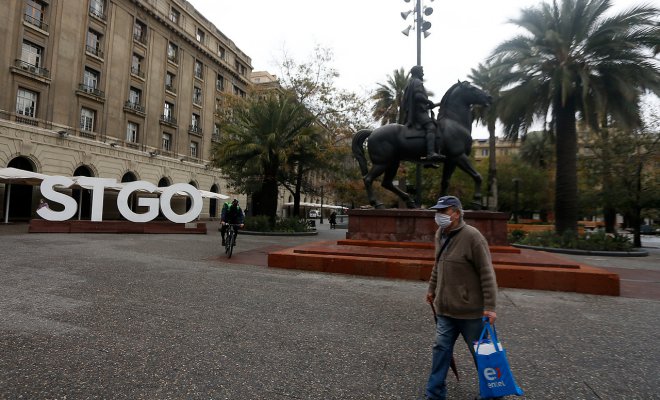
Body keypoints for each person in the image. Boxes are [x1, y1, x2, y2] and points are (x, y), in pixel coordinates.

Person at [424, 195, 499, 400]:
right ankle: (435, 393)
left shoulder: (473, 237)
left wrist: (490, 307)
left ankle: (493, 393)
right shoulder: (440, 234)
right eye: (437, 211)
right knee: (440, 349)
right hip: (445, 308)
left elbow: (487, 272)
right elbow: (438, 265)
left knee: (482, 355)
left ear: (456, 213)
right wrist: (432, 289)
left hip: (471, 311)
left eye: (443, 211)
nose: (439, 215)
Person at [400, 65, 444, 162]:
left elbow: (416, 101)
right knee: (431, 127)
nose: (423, 73)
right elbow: (418, 96)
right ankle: (431, 153)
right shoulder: (417, 82)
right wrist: (429, 102)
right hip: (418, 113)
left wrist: (428, 105)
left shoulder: (411, 82)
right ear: (417, 72)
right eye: (422, 71)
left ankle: (429, 159)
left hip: (416, 111)